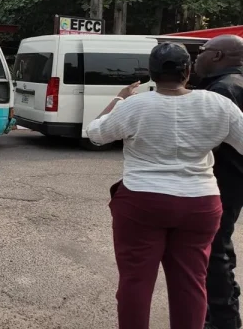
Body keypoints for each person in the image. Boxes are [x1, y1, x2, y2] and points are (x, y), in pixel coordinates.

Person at [86, 42, 243, 329]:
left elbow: (95, 134)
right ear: (188, 71)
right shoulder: (218, 104)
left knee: (135, 281)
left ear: (152, 73)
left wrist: (119, 98)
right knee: (191, 282)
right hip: (200, 203)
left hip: (142, 203)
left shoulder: (135, 105)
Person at [195, 34, 243, 329]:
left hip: (223, 179)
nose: (197, 56)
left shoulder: (224, 90)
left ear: (217, 56)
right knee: (220, 245)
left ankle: (223, 319)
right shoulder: (231, 84)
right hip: (232, 179)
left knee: (213, 251)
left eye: (202, 50)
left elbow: (204, 140)